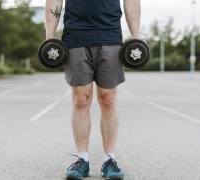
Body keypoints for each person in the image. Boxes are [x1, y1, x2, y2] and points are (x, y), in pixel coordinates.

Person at [45, 0, 141, 179]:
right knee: (81, 98)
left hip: (110, 35)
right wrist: (49, 35)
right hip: (75, 36)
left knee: (108, 98)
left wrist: (135, 35)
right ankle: (82, 160)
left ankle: (109, 160)